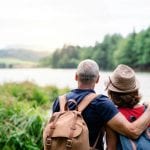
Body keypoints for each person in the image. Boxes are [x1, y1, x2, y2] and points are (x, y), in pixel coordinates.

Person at [52, 59, 150, 150]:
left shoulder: (60, 100)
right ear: (98, 79)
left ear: (76, 76)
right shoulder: (102, 103)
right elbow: (132, 131)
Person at [105, 64, 149, 150]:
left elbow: (111, 148)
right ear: (135, 90)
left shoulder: (113, 116)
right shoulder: (147, 111)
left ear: (112, 93)